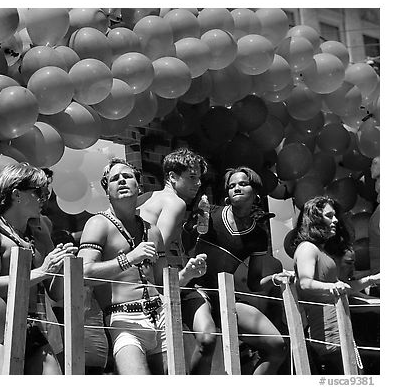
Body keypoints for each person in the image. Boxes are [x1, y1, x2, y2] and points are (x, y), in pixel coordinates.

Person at [79, 158, 201, 374]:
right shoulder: (98, 224)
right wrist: (129, 259)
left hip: (161, 315)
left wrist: (187, 274)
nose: (122, 181)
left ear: (139, 186)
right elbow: (83, 273)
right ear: (107, 191)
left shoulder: (151, 230)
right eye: (114, 179)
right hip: (124, 321)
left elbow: (164, 286)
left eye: (127, 176)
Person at [184, 166, 290, 375]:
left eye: (242, 183)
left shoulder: (258, 236)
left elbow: (254, 283)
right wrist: (193, 222)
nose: (236, 188)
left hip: (227, 298)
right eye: (231, 186)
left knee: (278, 346)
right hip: (197, 290)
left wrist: (276, 278)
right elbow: (187, 238)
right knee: (207, 339)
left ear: (256, 193)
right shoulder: (210, 213)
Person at [0, 163, 77, 375]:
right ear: (16, 195)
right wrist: (42, 271)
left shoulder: (39, 235)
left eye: (46, 193)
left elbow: (55, 293)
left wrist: (58, 265)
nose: (44, 198)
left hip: (35, 328)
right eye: (38, 192)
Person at [137, 148, 215, 374]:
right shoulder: (175, 203)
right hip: (164, 286)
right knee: (207, 338)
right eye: (192, 177)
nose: (198, 183)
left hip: (148, 285)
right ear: (172, 177)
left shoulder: (146, 199)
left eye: (199, 177)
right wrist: (184, 276)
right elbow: (155, 247)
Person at [293, 195, 380, 374]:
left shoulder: (321, 250)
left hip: (341, 331)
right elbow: (305, 283)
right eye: (329, 216)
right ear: (315, 218)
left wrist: (372, 279)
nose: (335, 220)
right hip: (328, 337)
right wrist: (332, 287)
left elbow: (343, 287)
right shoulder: (307, 248)